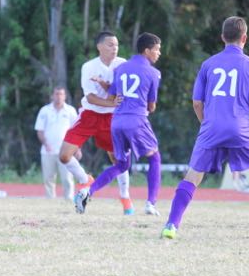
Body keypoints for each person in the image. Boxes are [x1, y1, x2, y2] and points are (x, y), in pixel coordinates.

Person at [161, 17, 249, 240]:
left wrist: (206, 125)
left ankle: (171, 225)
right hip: (240, 128)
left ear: (222, 38)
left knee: (192, 177)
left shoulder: (208, 65)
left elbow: (197, 102)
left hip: (211, 128)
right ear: (244, 38)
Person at [75, 32, 163, 216]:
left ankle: (87, 192)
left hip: (117, 121)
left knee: (122, 165)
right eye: (157, 50)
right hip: (136, 120)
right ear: (147, 51)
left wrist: (103, 84)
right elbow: (151, 107)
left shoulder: (121, 68)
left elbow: (113, 97)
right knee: (154, 158)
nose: (158, 53)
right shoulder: (154, 73)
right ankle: (150, 203)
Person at [58, 31, 134, 215]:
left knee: (119, 160)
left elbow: (125, 90)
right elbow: (90, 97)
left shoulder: (123, 64)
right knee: (64, 156)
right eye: (110, 44)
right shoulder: (89, 67)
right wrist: (110, 101)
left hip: (112, 118)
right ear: (99, 46)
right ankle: (86, 180)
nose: (114, 48)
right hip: (90, 116)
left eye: (116, 45)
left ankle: (125, 197)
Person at [34, 87, 78, 200]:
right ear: (52, 96)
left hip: (65, 151)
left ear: (65, 96)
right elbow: (39, 130)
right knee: (48, 178)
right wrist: (45, 143)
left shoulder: (70, 111)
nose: (59, 97)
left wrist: (77, 148)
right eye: (56, 94)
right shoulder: (45, 110)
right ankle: (50, 199)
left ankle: (69, 199)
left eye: (61, 94)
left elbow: (76, 131)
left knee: (67, 177)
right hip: (48, 150)